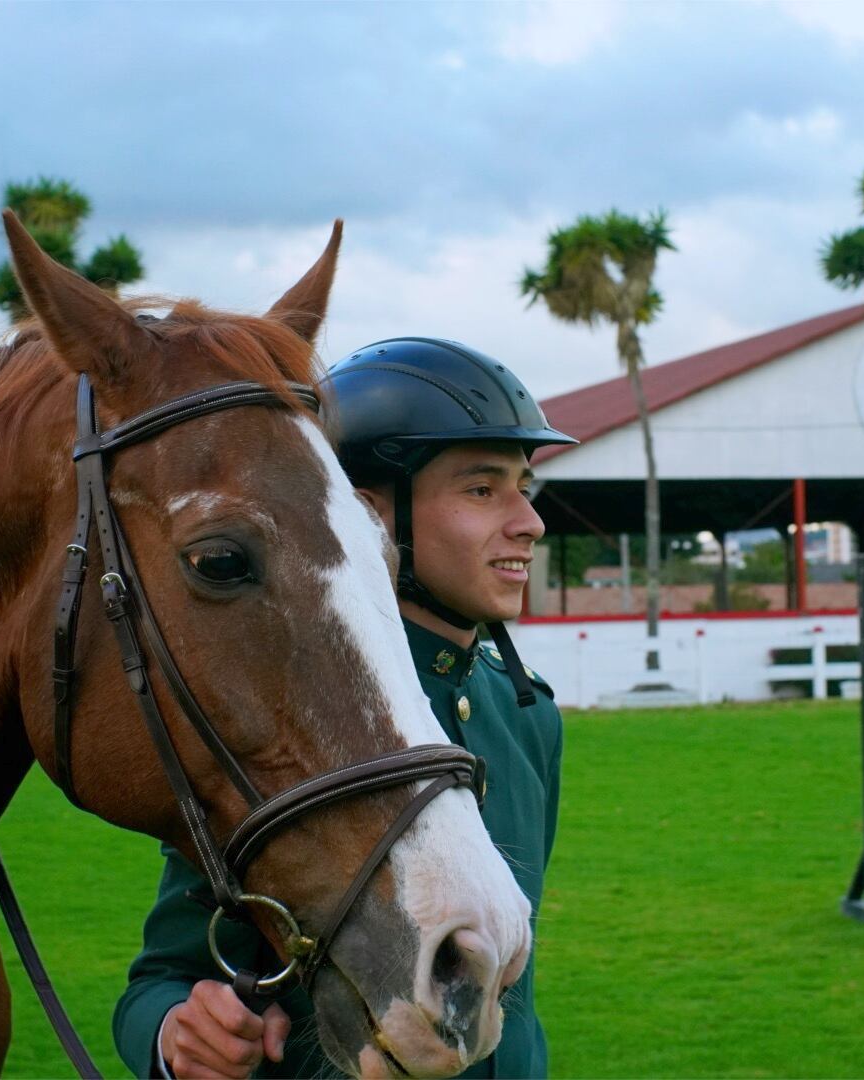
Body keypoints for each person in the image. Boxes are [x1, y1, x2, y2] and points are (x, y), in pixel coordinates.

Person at [112, 337, 578, 1079]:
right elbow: (162, 979)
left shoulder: (527, 714)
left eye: (524, 487)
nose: (529, 521)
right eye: (482, 490)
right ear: (371, 514)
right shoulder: (286, 706)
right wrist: (176, 1033)